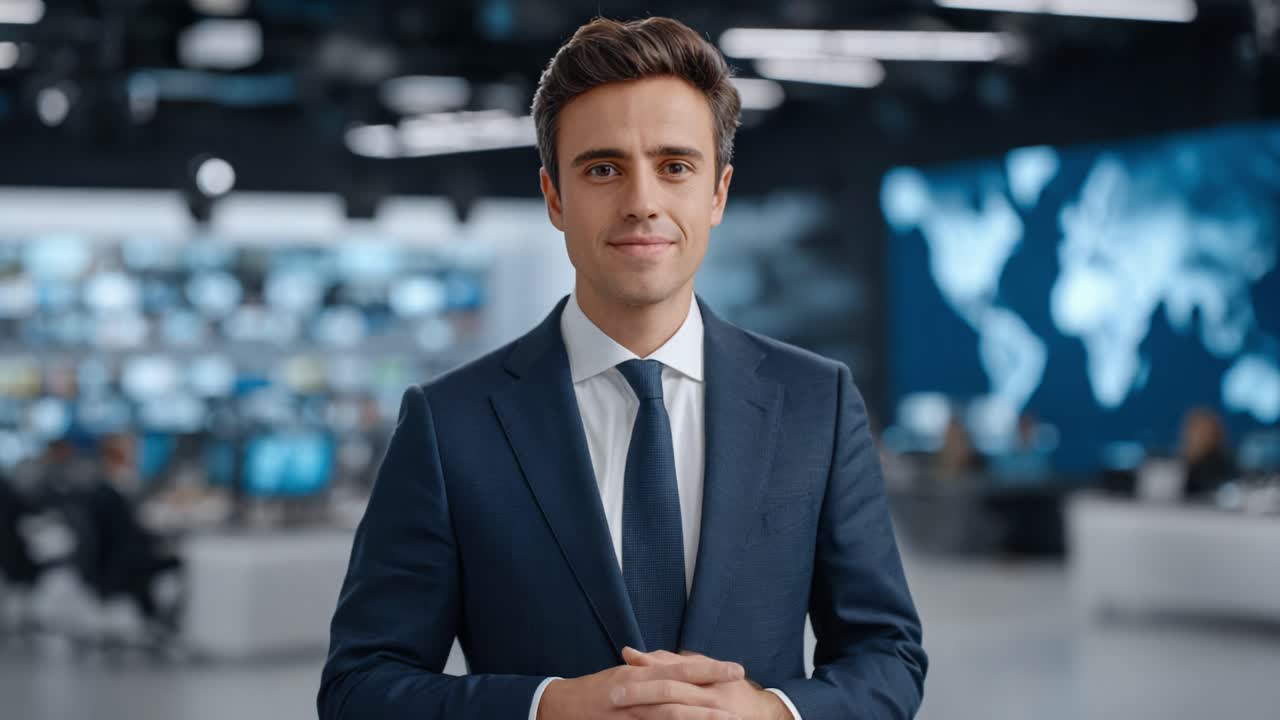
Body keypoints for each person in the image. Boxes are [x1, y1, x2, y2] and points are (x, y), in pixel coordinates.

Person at [319, 16, 926, 720]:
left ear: (718, 193)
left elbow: (887, 656)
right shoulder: (449, 422)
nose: (642, 202)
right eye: (603, 168)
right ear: (554, 197)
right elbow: (360, 686)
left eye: (675, 166)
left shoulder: (816, 403)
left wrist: (770, 714)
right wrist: (546, 708)